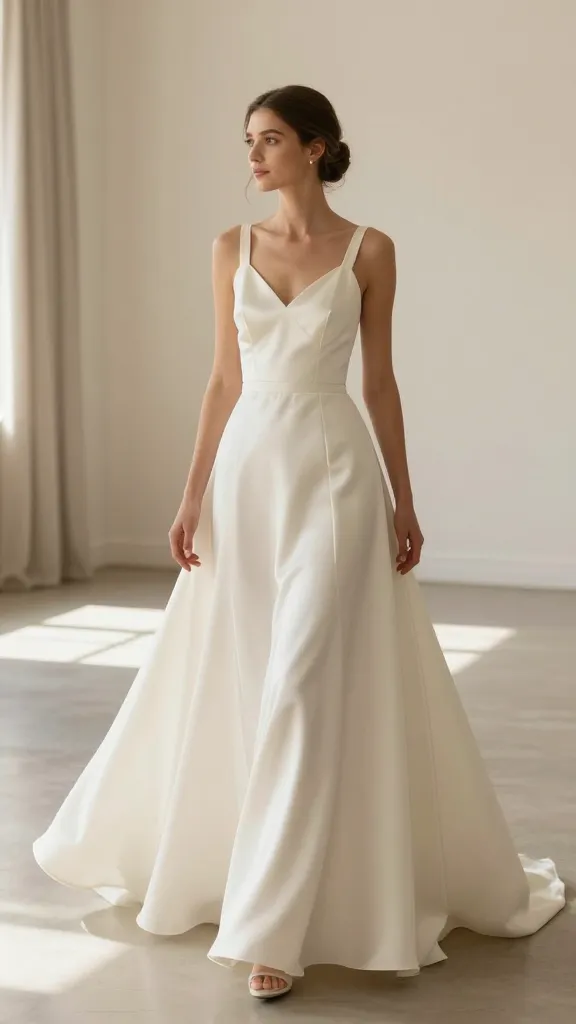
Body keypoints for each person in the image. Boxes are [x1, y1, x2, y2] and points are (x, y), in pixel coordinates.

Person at [33, 84, 565, 1002]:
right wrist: (191, 496)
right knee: (251, 677)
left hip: (334, 475)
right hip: (247, 482)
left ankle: (271, 930)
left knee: (305, 683)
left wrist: (405, 499)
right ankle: (264, 873)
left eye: (270, 139)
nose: (253, 156)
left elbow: (381, 384)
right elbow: (221, 381)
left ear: (316, 148)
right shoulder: (229, 247)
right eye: (249, 140)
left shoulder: (371, 250)